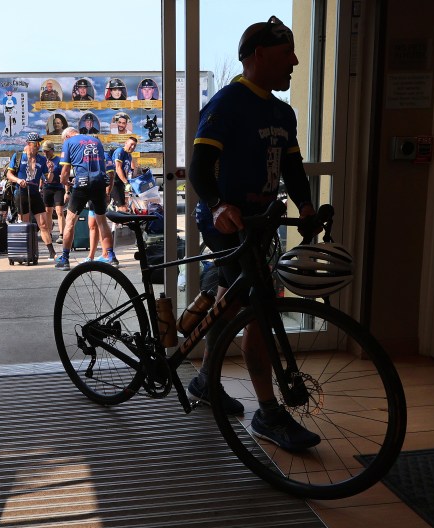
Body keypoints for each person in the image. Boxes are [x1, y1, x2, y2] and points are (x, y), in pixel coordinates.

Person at [186, 16, 320, 451]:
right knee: (259, 306)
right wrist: (218, 204)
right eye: (287, 54)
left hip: (261, 222)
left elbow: (293, 167)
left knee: (232, 297)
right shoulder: (227, 104)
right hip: (226, 221)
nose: (295, 62)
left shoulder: (283, 111)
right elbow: (201, 169)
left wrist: (307, 205)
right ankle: (268, 412)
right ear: (259, 55)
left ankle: (206, 378)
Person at [54, 127, 118, 270]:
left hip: (82, 182)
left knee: (70, 221)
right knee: (102, 222)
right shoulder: (97, 141)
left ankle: (65, 259)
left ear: (67, 136)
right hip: (99, 183)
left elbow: (64, 171)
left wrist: (65, 183)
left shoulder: (69, 142)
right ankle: (112, 257)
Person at [5, 132, 57, 260]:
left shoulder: (42, 159)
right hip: (21, 193)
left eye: (39, 143)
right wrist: (18, 180)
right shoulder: (18, 157)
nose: (39, 146)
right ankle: (26, 252)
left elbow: (49, 179)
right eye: (36, 143)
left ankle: (52, 252)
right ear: (29, 144)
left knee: (44, 224)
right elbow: (9, 174)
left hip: (35, 193)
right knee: (25, 224)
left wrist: (51, 170)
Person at [83, 150, 119, 266]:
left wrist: (108, 193)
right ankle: (96, 255)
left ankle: (106, 254)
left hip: (99, 192)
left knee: (100, 223)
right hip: (91, 191)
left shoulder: (105, 155)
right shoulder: (88, 156)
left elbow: (111, 174)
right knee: (92, 224)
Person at [40, 140, 66, 244]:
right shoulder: (42, 161)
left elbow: (64, 175)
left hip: (58, 187)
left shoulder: (58, 160)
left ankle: (62, 234)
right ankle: (49, 232)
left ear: (52, 150)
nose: (45, 153)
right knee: (48, 211)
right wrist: (40, 186)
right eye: (43, 151)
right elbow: (41, 175)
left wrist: (67, 191)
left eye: (47, 151)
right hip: (47, 187)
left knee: (59, 211)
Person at [111, 137, 137, 212]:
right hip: (114, 182)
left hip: (120, 183)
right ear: (126, 143)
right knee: (122, 209)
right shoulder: (120, 151)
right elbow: (118, 168)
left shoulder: (129, 156)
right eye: (131, 144)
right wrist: (126, 183)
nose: (132, 147)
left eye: (134, 146)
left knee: (124, 205)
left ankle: (114, 222)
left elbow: (127, 170)